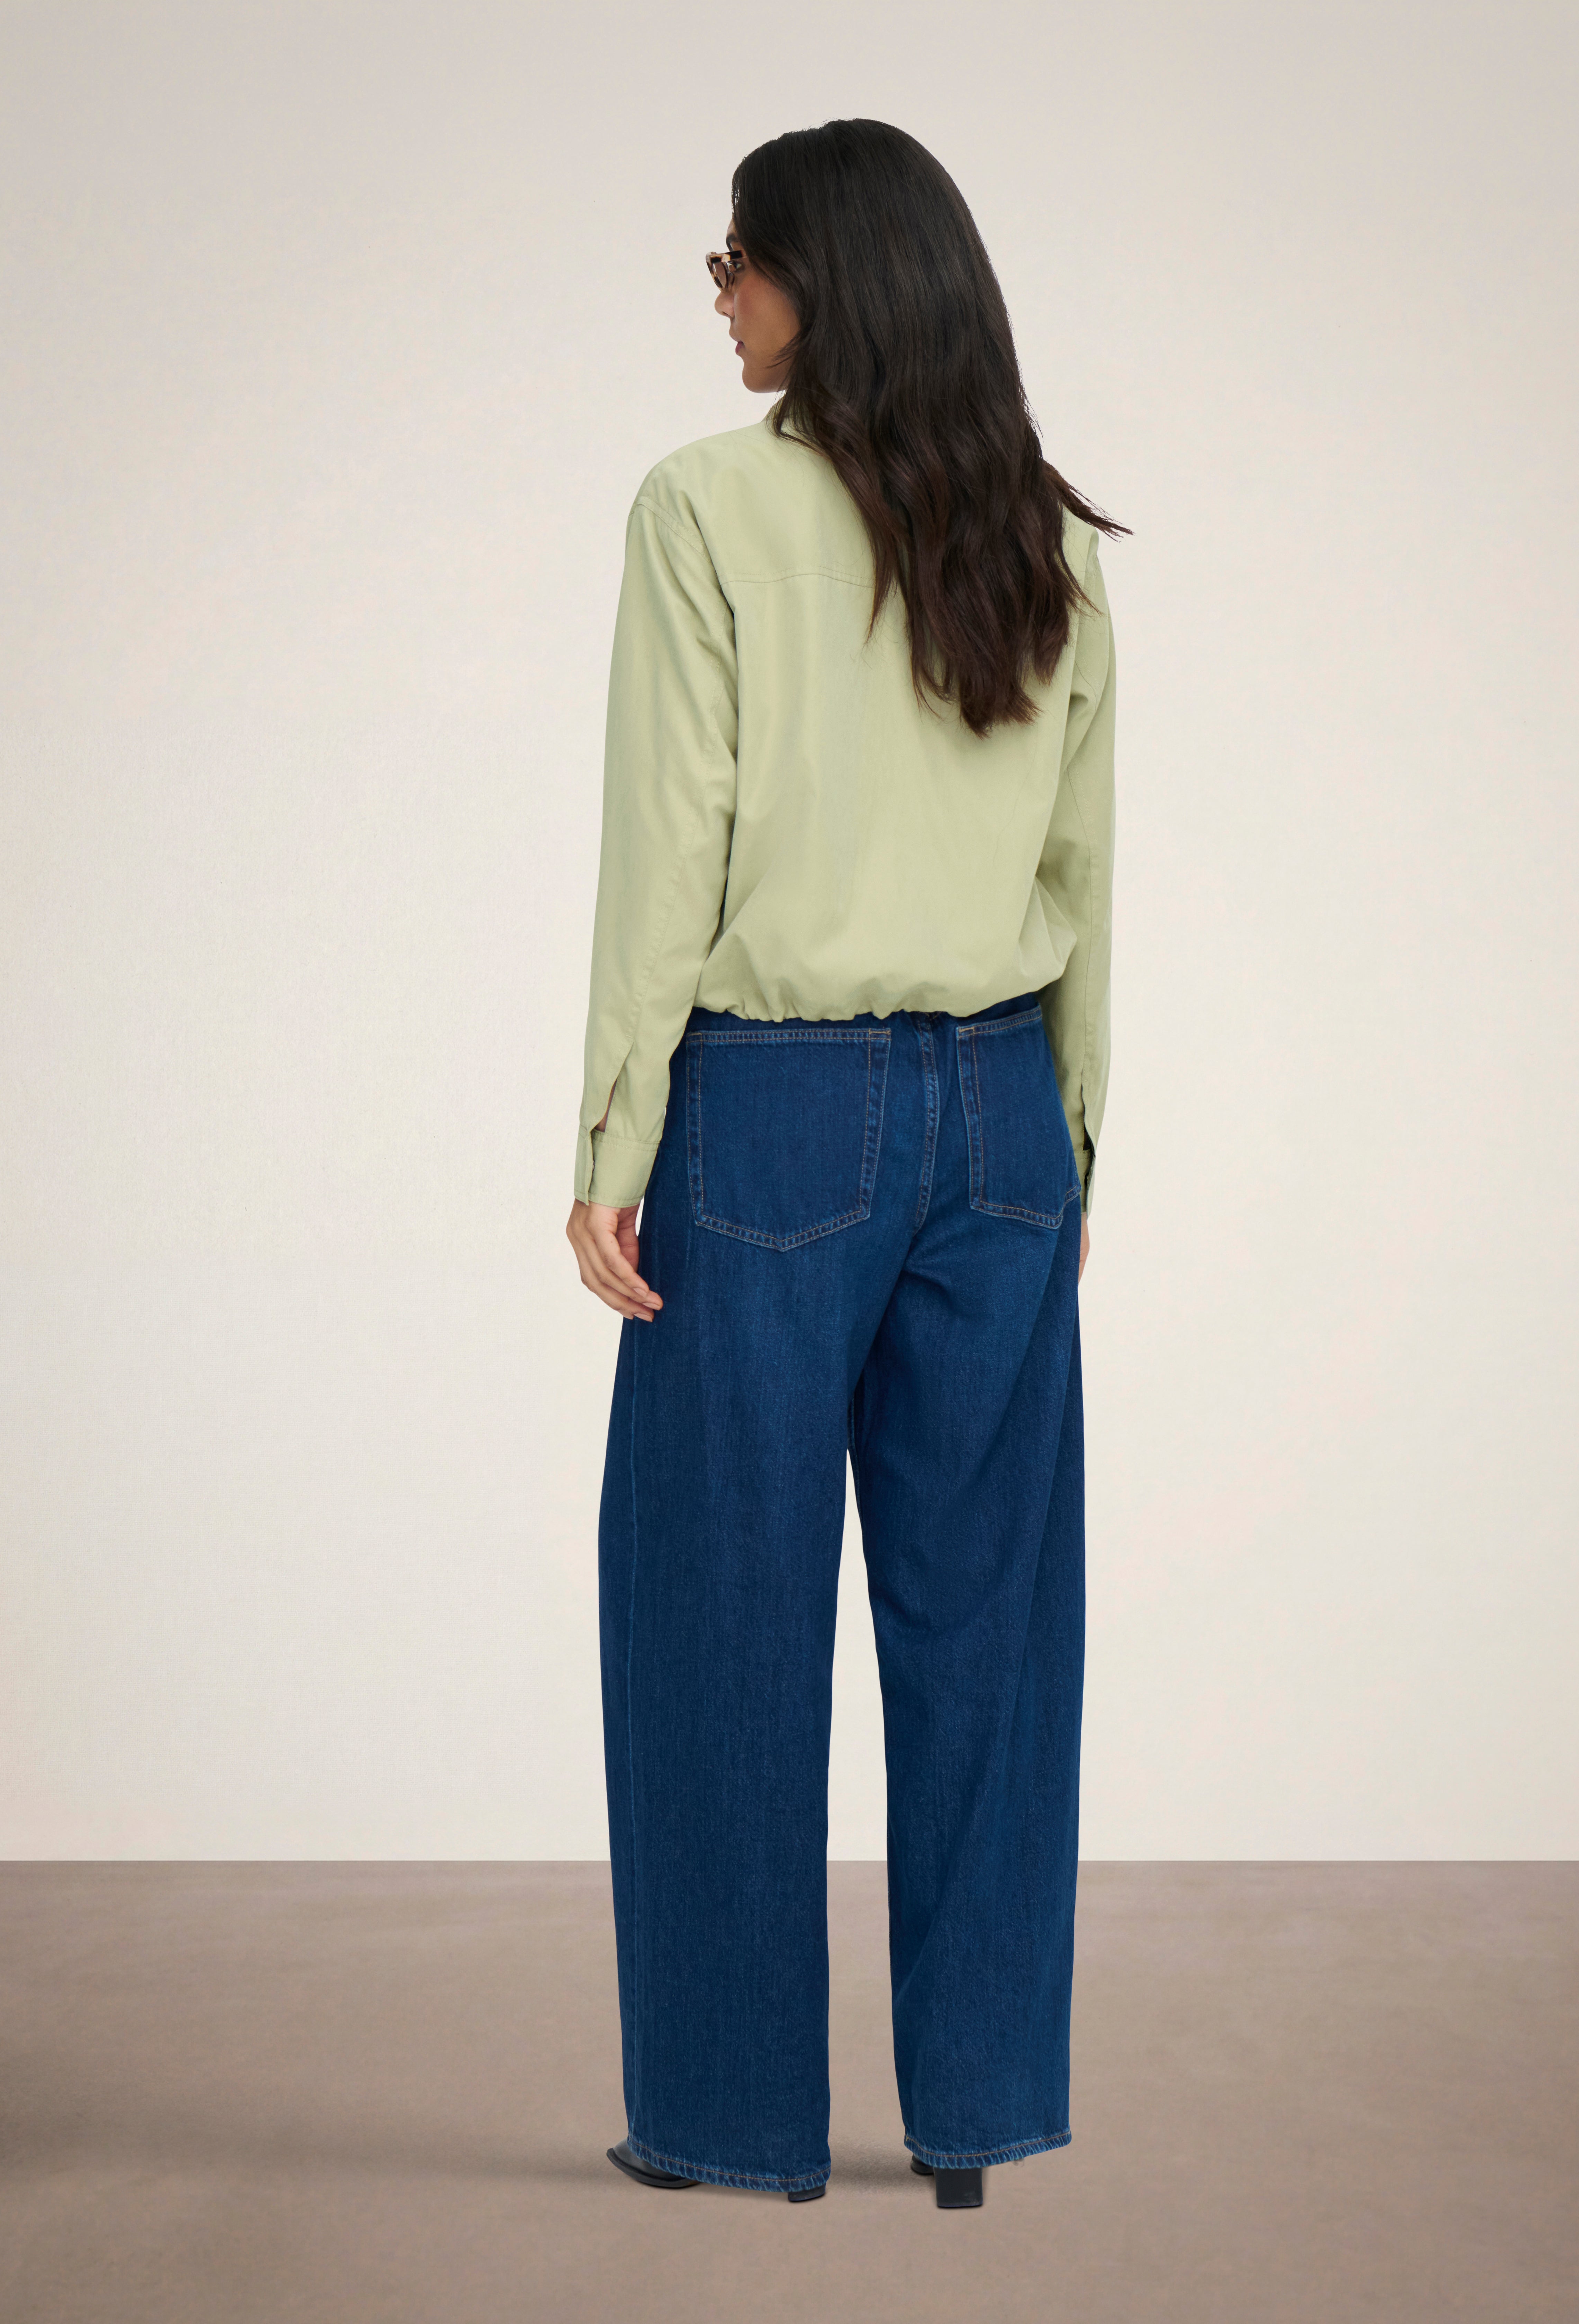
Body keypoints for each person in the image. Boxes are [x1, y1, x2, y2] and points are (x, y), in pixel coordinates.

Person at [567, 118, 1121, 2211]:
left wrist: (615, 1135)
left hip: (773, 1117)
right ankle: (971, 2120)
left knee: (717, 1613)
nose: (720, 298)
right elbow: (1084, 876)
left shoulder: (707, 507)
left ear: (824, 276)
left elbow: (669, 848)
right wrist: (1073, 1151)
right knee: (993, 1634)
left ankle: (731, 2122)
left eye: (736, 260)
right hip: (1005, 1119)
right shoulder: (1044, 537)